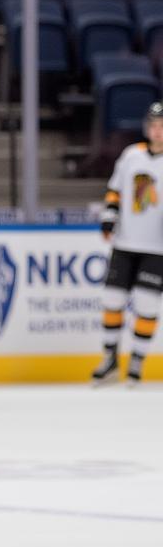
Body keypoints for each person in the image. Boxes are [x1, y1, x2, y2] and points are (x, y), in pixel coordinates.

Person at [92, 103, 163, 386]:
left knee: (147, 304)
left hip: (157, 248)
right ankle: (110, 358)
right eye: (155, 125)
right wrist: (109, 218)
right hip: (126, 242)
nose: (158, 131)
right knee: (112, 299)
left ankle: (136, 361)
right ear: (147, 128)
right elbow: (115, 190)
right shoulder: (131, 155)